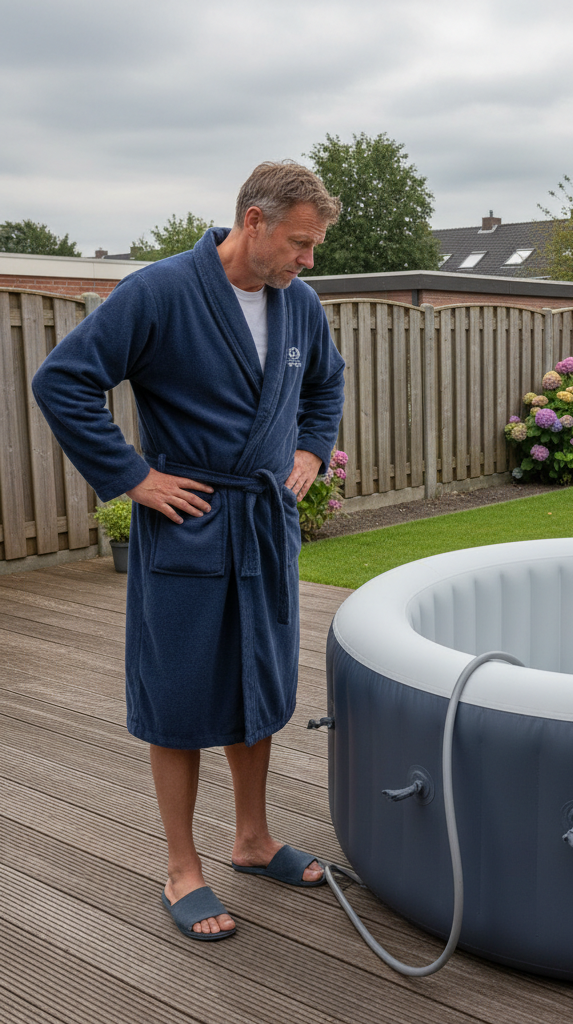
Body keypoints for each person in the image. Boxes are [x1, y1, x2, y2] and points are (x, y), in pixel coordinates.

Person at [32, 161, 345, 941]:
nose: (309, 260)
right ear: (254, 221)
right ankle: (181, 868)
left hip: (262, 523)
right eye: (300, 243)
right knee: (177, 695)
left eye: (314, 245)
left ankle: (253, 839)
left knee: (257, 680)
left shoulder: (300, 305)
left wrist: (312, 449)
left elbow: (326, 385)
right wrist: (133, 478)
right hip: (191, 524)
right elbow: (63, 381)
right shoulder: (161, 292)